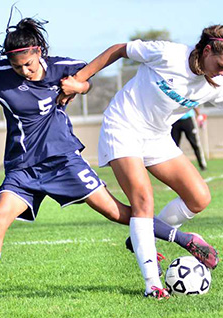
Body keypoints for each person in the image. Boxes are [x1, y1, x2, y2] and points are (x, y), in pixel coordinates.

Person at [0, 11, 218, 308]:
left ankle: (181, 237)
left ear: (39, 52)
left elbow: (87, 80)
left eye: (28, 64)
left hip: (64, 162)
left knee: (120, 212)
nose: (24, 72)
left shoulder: (62, 67)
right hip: (23, 170)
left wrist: (80, 85)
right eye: (17, 67)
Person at [59, 25, 223, 299]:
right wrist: (79, 80)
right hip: (123, 126)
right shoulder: (169, 55)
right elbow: (118, 50)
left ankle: (141, 238)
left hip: (157, 137)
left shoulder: (217, 83)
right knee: (143, 201)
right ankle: (153, 284)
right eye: (220, 64)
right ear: (207, 50)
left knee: (199, 197)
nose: (221, 72)